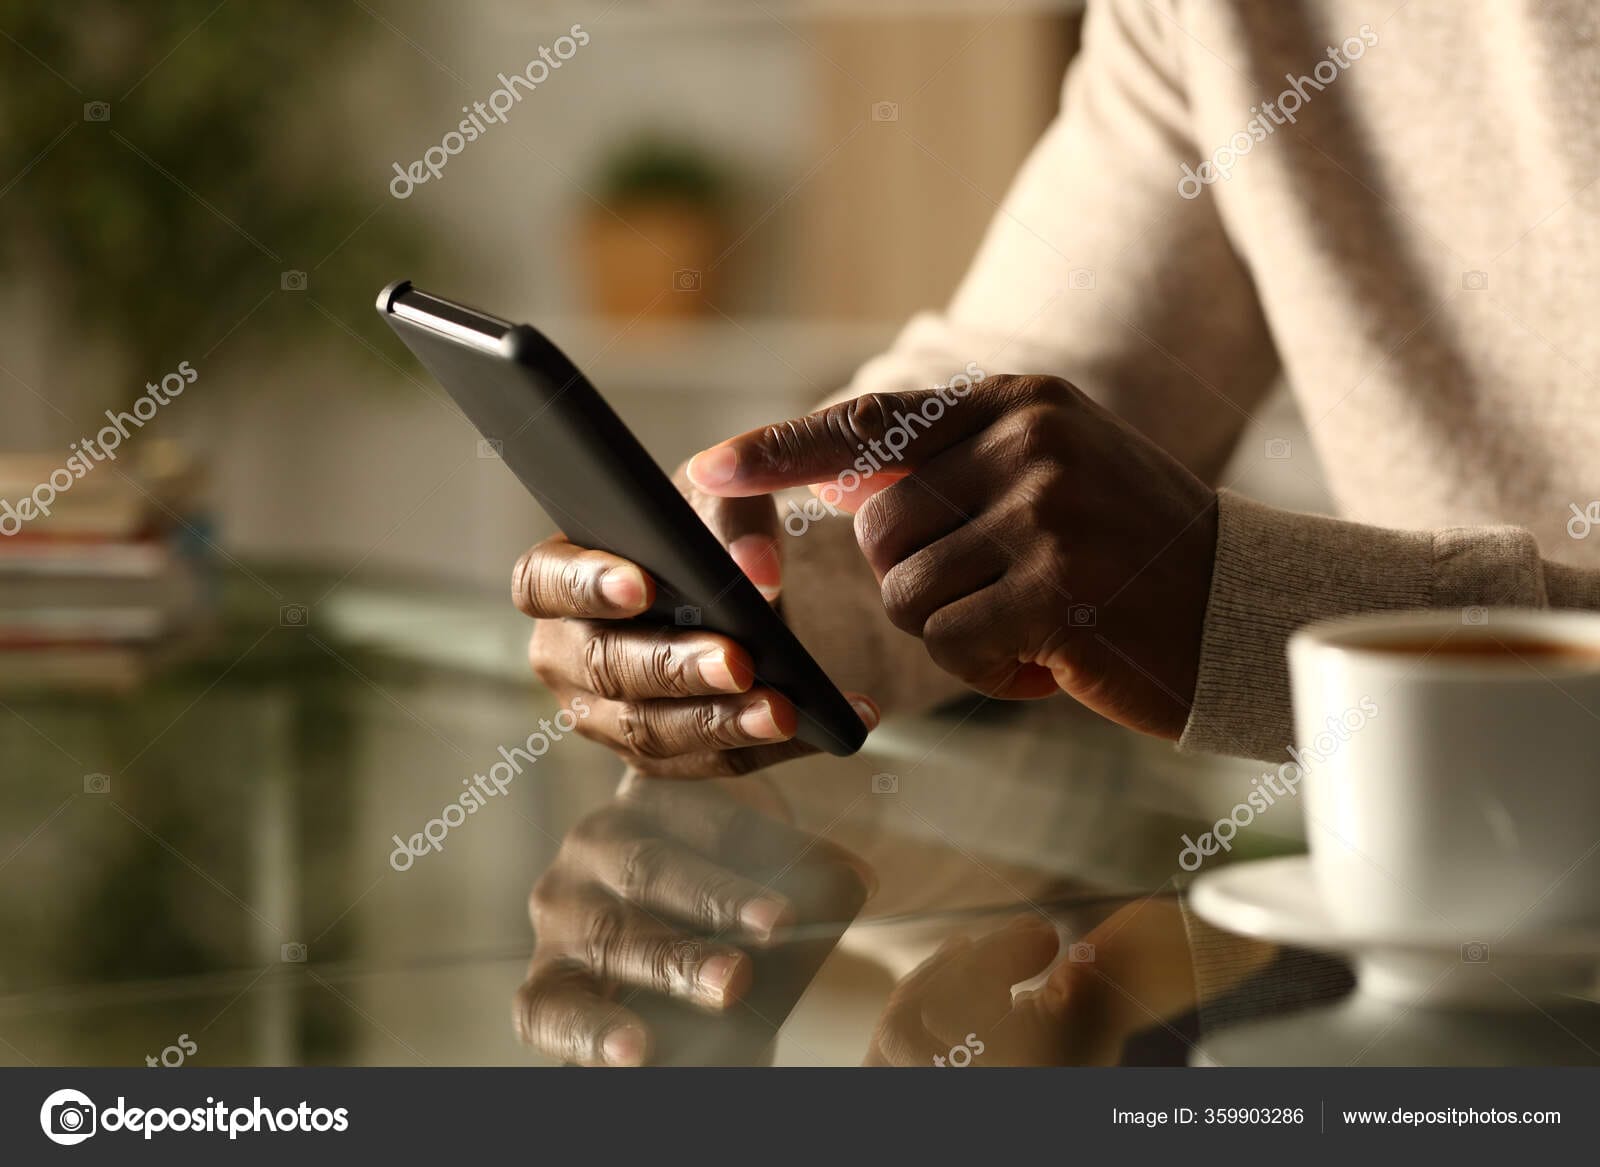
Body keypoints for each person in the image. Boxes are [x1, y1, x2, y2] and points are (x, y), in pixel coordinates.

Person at [511, 0, 1600, 1059]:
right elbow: (1012, 375)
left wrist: (1240, 599)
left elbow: (1139, 535)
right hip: (1427, 972)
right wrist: (747, 595)